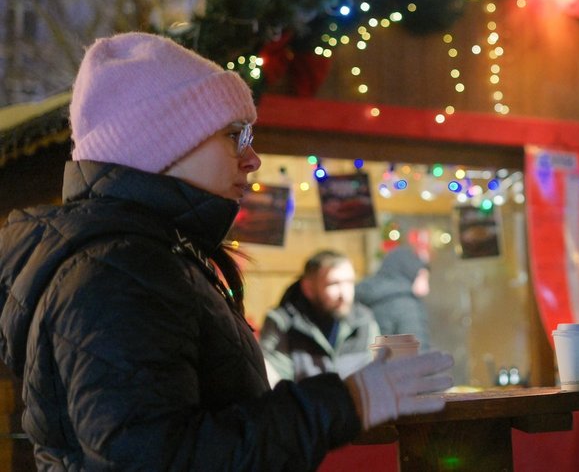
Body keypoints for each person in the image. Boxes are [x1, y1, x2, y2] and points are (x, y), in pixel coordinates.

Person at [0, 32, 453, 470]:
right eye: (234, 134)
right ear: (162, 142)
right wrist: (348, 402)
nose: (252, 157)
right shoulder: (119, 269)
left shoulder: (145, 254)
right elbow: (162, 457)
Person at [260, 250, 379, 384]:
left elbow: (375, 377)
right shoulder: (282, 323)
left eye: (349, 282)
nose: (344, 293)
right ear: (308, 288)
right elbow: (276, 384)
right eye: (334, 284)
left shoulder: (364, 321)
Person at [355, 246, 432, 349]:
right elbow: (416, 355)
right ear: (409, 271)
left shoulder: (363, 295)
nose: (427, 288)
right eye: (423, 277)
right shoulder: (407, 306)